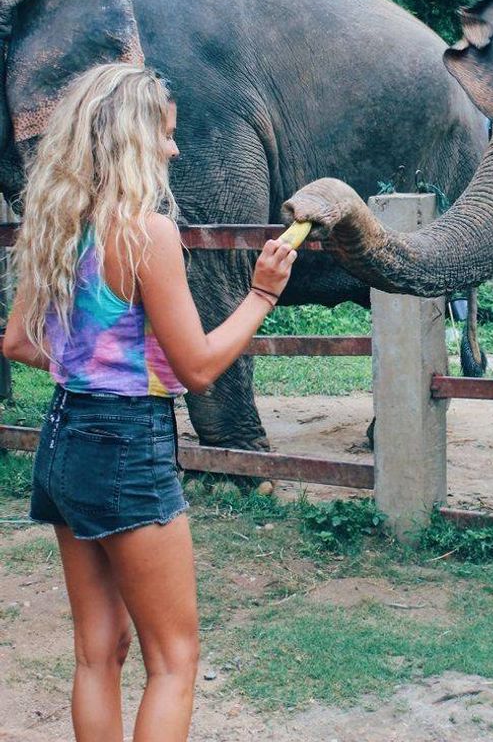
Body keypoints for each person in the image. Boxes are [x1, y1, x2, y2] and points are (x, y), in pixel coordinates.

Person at [4, 63, 298, 742]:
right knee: (174, 658)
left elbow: (18, 341)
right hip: (127, 444)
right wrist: (260, 295)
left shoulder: (54, 224)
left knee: (96, 652)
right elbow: (197, 367)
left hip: (61, 437)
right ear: (134, 138)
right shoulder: (145, 234)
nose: (174, 149)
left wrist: (89, 366)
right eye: (166, 134)